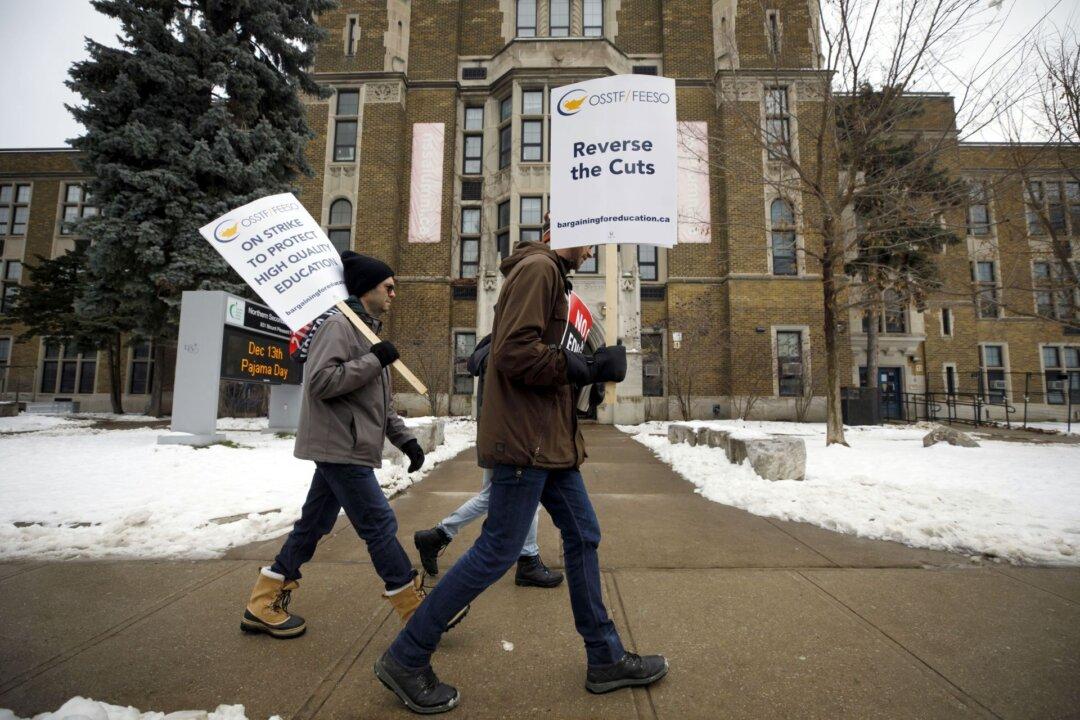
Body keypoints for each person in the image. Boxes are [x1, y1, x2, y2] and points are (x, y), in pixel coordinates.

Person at [373, 228, 668, 714]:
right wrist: (588, 367)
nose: (595, 251)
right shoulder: (538, 269)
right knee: (499, 549)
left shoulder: (556, 277)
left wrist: (591, 367)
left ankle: (606, 658)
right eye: (591, 239)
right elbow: (512, 354)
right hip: (527, 441)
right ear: (560, 232)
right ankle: (406, 657)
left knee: (582, 533)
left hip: (550, 441)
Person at [241, 251, 467, 639]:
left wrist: (407, 441)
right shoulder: (337, 327)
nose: (394, 293)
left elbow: (377, 403)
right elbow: (322, 383)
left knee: (313, 525)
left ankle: (264, 601)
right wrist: (375, 361)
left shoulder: (365, 331)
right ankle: (415, 609)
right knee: (379, 523)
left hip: (346, 446)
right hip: (339, 446)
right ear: (366, 289)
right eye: (388, 287)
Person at [412, 333, 563, 589]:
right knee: (518, 496)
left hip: (496, 435)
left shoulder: (493, 346)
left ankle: (441, 535)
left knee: (499, 496)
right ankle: (526, 560)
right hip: (509, 438)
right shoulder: (508, 349)